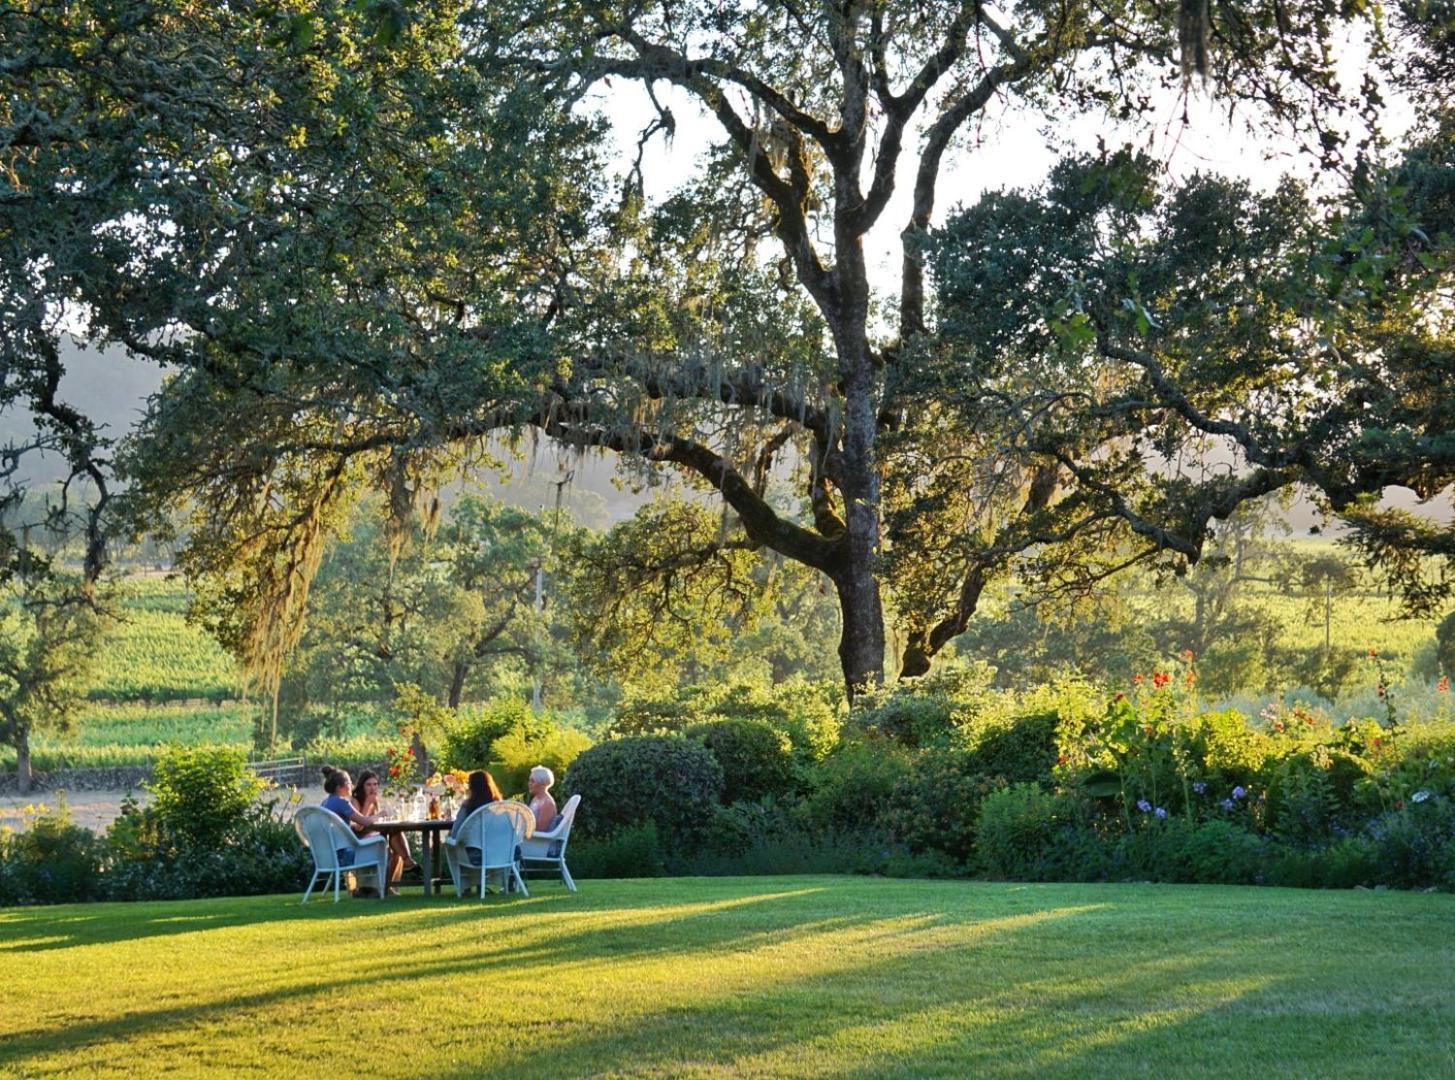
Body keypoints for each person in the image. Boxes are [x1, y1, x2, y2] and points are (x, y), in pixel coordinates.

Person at [352, 769, 413, 886]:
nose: (372, 788)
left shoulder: (374, 800)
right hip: (359, 839)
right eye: (368, 784)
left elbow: (377, 821)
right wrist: (368, 804)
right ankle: (407, 861)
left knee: (395, 840)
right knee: (393, 844)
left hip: (374, 835)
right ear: (362, 786)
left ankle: (390, 885)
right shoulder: (356, 800)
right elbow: (359, 827)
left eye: (375, 784)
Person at [527, 765, 558, 833]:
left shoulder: (547, 803)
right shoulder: (536, 799)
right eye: (529, 781)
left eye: (532, 781)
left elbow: (540, 830)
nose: (529, 784)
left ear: (542, 783)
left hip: (538, 841)